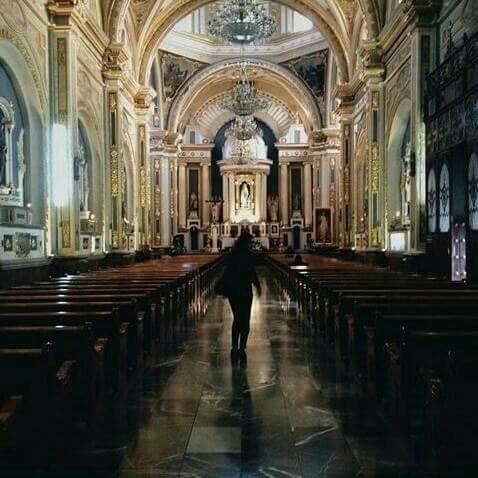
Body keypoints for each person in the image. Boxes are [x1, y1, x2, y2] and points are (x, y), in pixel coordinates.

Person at [221, 231, 261, 365]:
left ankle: (234, 345)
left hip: (233, 290)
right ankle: (242, 345)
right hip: (244, 290)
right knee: (245, 318)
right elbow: (252, 272)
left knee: (237, 318)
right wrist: (257, 285)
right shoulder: (249, 255)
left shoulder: (232, 254)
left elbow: (227, 269)